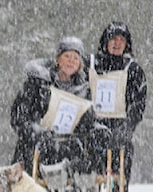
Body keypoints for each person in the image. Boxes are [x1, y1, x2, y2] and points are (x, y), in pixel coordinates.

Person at [10, 36, 109, 176]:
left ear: (80, 64)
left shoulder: (84, 89)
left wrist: (97, 131)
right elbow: (19, 116)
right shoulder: (37, 84)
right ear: (58, 59)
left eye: (75, 58)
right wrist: (35, 132)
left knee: (87, 155)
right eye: (67, 56)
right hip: (38, 148)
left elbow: (87, 121)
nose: (71, 61)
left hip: (69, 149)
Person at [90, 21, 147, 192]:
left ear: (127, 44)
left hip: (119, 137)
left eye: (121, 40)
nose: (116, 43)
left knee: (118, 188)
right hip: (93, 135)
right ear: (105, 41)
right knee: (88, 184)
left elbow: (138, 104)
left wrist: (125, 129)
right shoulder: (92, 63)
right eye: (113, 39)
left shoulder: (133, 70)